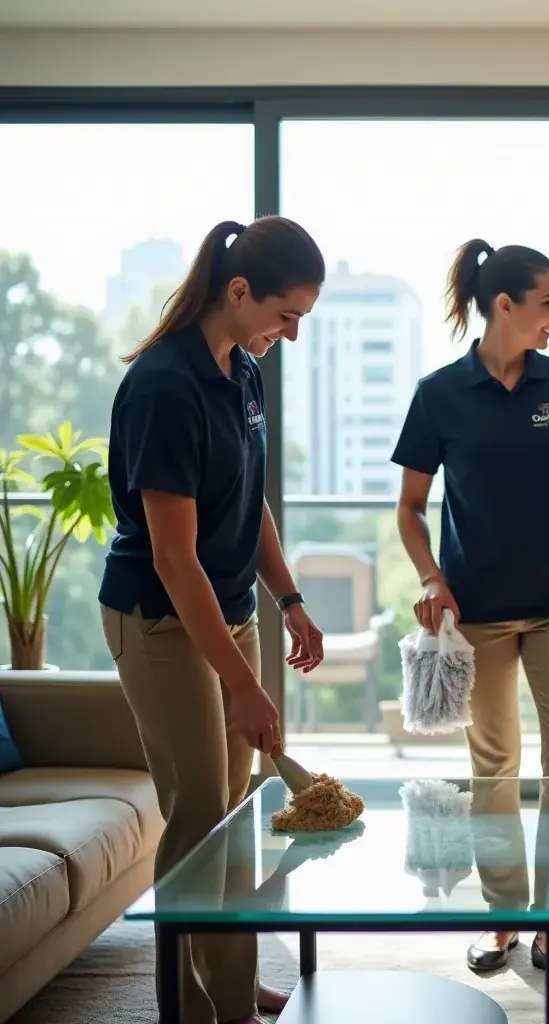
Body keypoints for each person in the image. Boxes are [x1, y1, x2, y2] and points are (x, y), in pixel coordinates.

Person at [98, 216, 328, 1024]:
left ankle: (228, 981)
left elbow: (250, 498)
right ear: (238, 292)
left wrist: (289, 599)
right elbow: (173, 557)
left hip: (229, 609)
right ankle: (192, 1007)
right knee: (200, 811)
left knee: (234, 815)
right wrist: (243, 686)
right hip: (161, 618)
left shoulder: (242, 367)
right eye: (285, 315)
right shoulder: (165, 387)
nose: (290, 335)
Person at [391, 239, 549, 989]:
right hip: (477, 612)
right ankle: (503, 913)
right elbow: (411, 509)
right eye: (548, 301)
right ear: (505, 306)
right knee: (493, 766)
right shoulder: (439, 394)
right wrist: (431, 578)